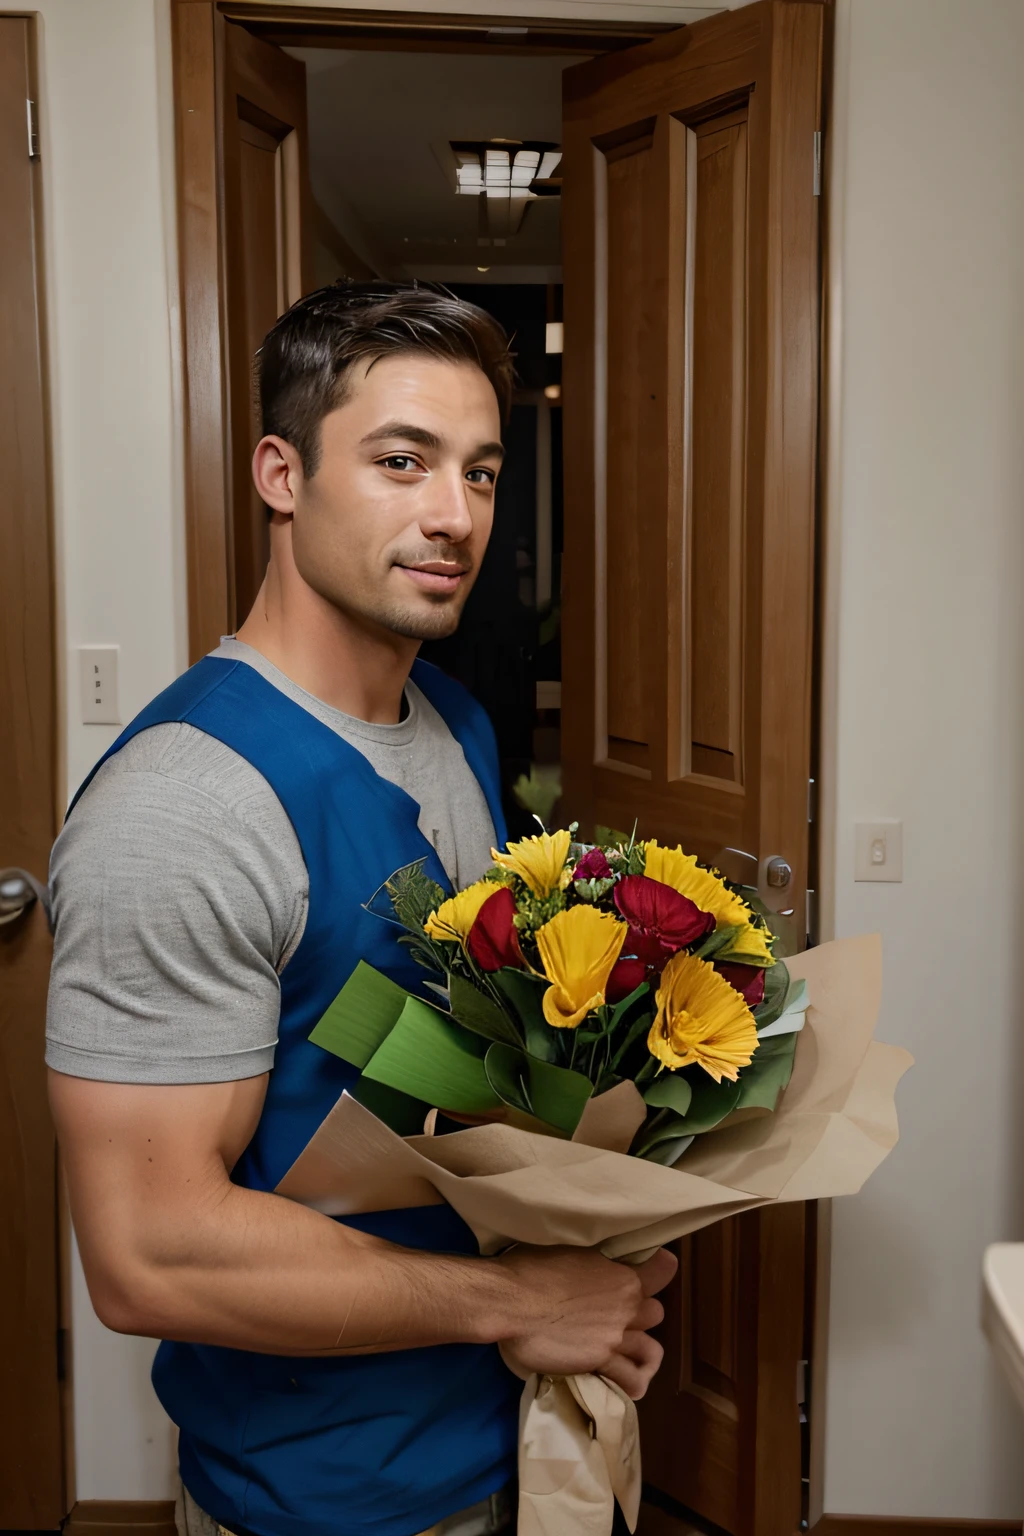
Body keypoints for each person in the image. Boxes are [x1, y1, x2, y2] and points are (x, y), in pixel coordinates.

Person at [46, 282, 676, 1536]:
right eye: (401, 462)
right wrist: (515, 1304)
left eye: (481, 473)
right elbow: (147, 1251)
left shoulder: (455, 723)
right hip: (323, 1492)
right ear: (282, 473)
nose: (453, 516)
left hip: (506, 1434)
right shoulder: (186, 807)